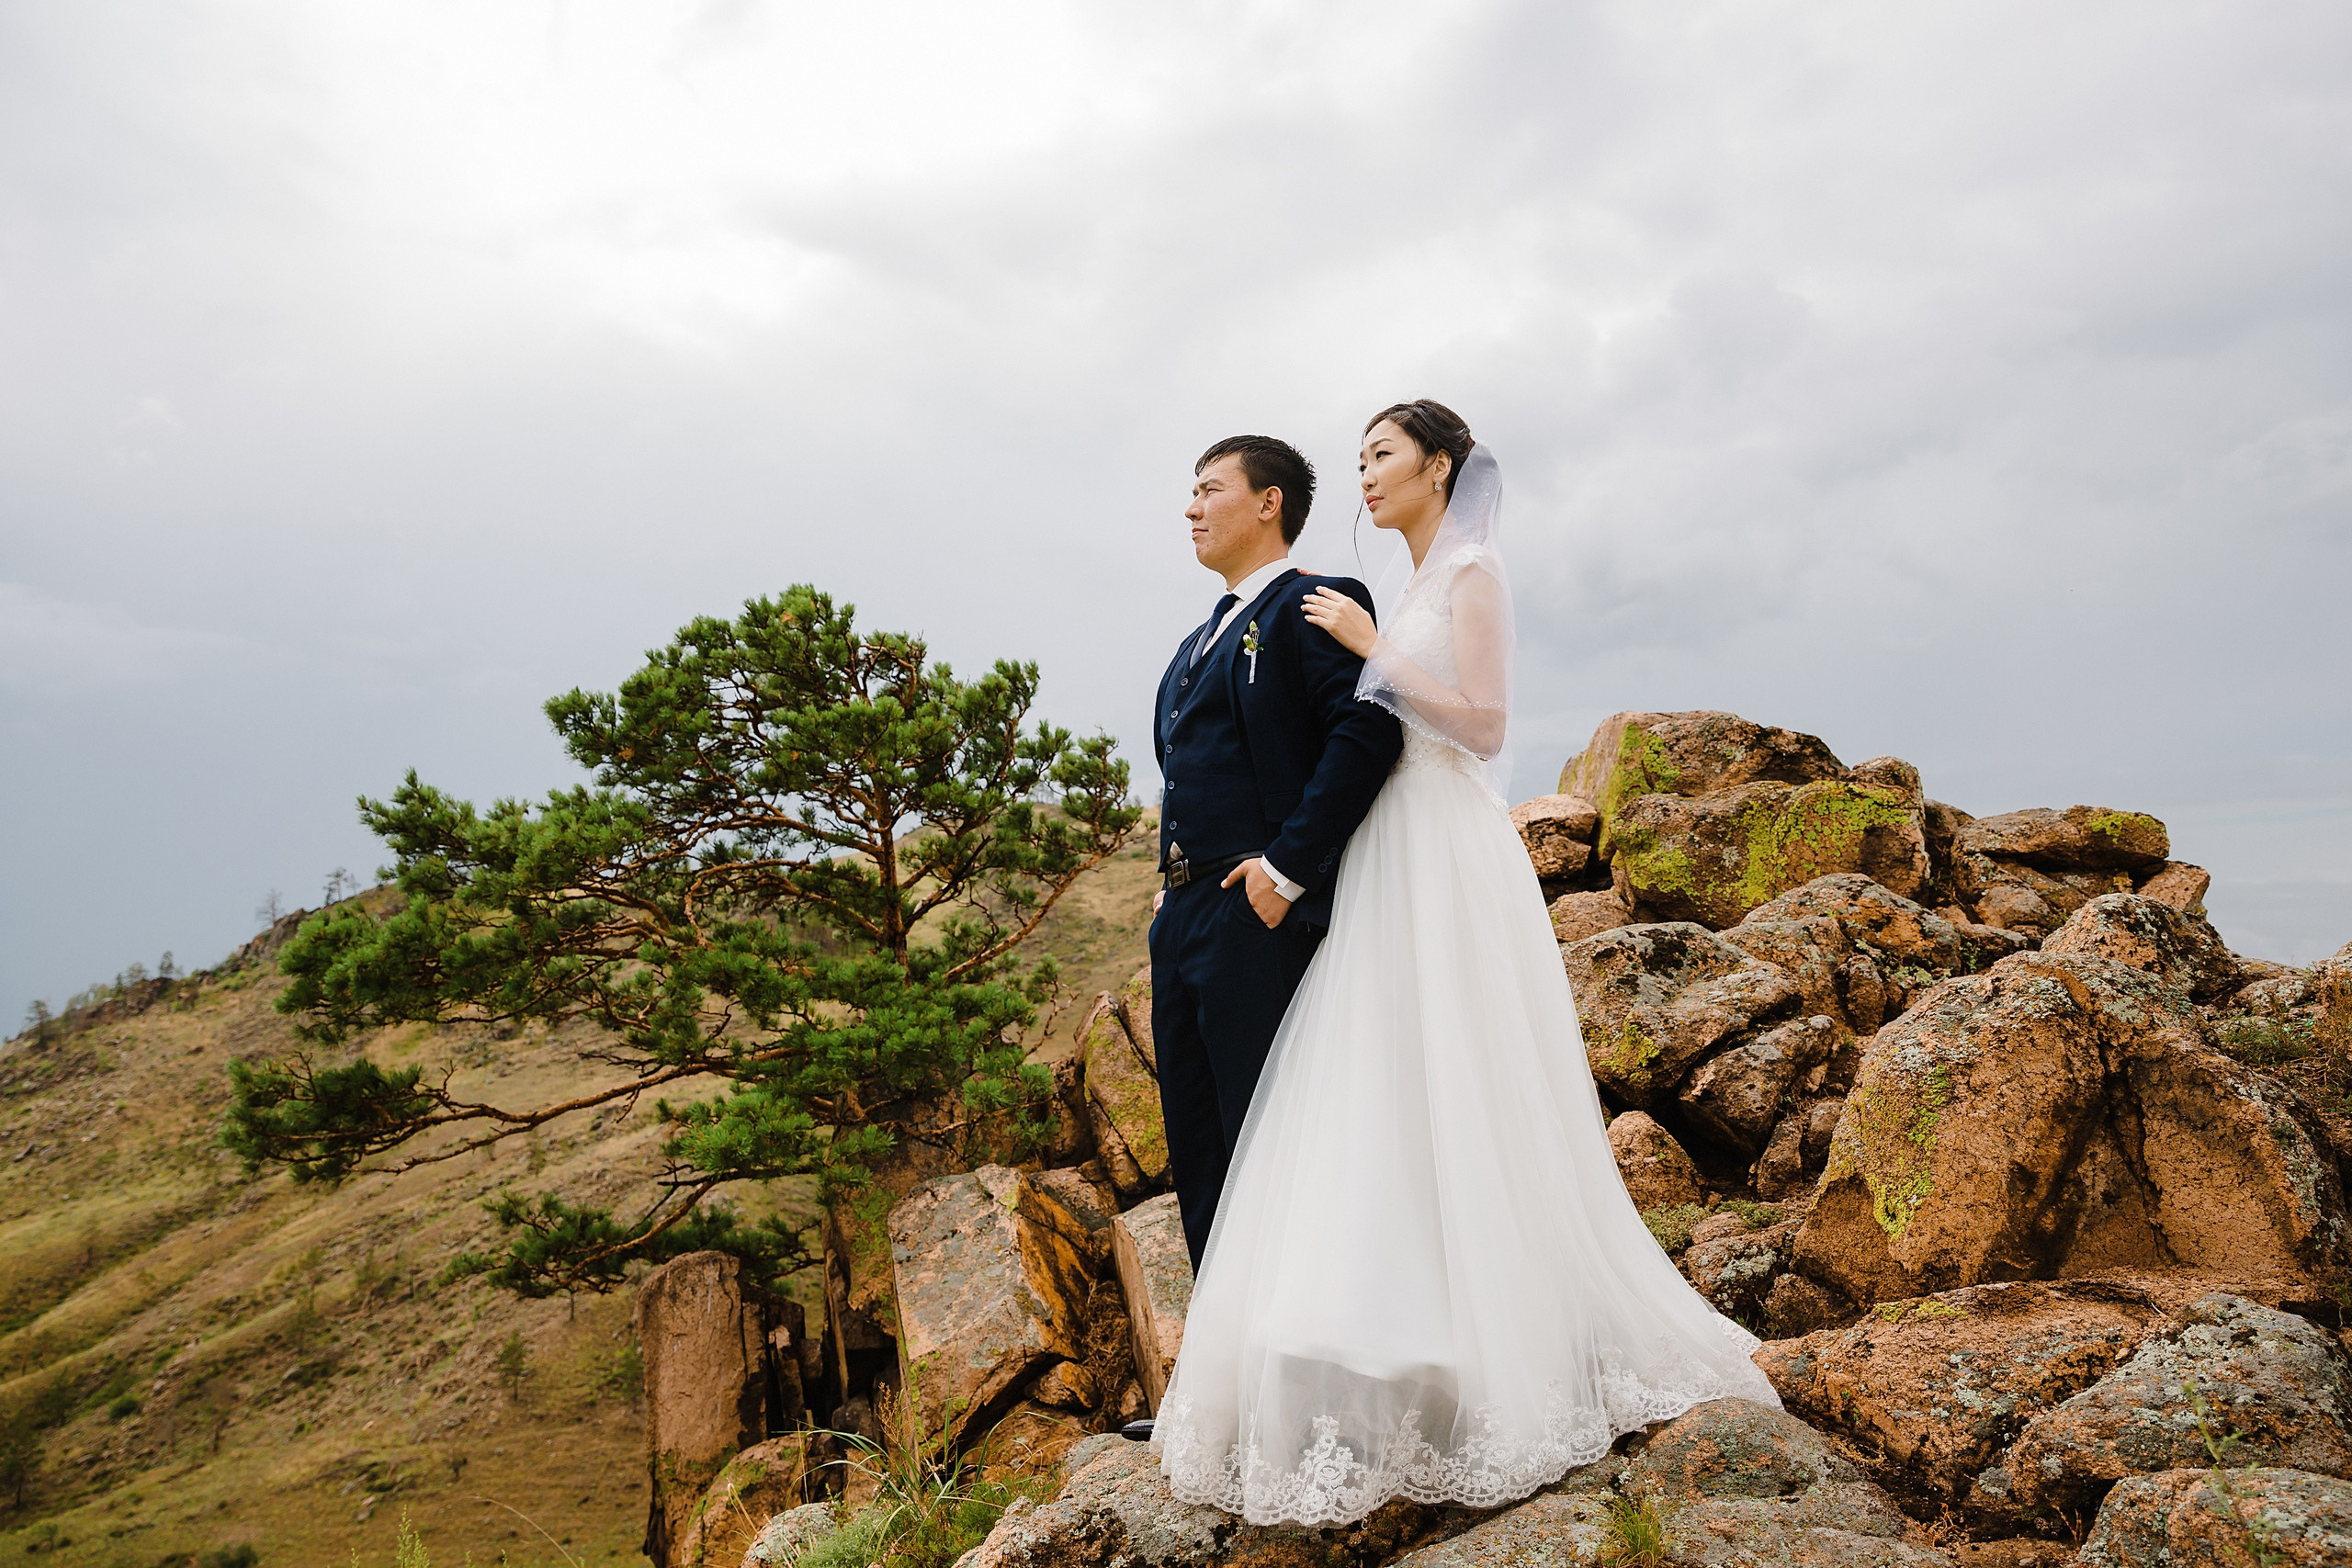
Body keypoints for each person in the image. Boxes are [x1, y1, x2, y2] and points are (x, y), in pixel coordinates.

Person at [1151, 401, 1780, 1527]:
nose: (1365, 477)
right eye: (1357, 461)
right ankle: (1303, 1353)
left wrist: (1365, 667)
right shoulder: (1370, 594)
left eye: (1381, 456)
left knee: (1435, 1087)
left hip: (1431, 851)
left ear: (1441, 467)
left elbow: (1473, 727)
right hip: (1369, 863)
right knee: (1352, 1104)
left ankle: (1460, 1347)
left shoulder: (1449, 581)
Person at [1147, 434, 1405, 1290]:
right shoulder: (1192, 642)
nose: (1191, 507)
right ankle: (1220, 1388)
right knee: (1198, 1142)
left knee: (1271, 1136)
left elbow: (1369, 729)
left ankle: (1290, 1375)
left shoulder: (1317, 603)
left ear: (1268, 503)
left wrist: (1284, 871)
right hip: (1183, 919)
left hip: (1259, 916)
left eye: (1209, 488)